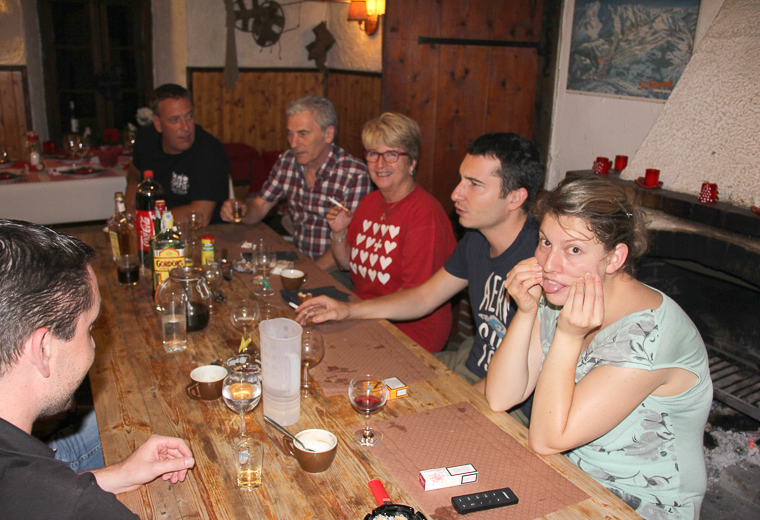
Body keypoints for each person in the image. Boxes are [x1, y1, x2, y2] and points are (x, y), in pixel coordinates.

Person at [485, 176, 712, 519]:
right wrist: (527, 311)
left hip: (642, 505)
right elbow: (501, 397)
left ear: (614, 257)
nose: (549, 264)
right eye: (545, 242)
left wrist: (568, 337)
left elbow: (547, 439)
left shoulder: (650, 335)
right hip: (569, 475)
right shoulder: (564, 293)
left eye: (574, 249)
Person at [297, 133, 544, 414]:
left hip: (512, 403)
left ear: (515, 197)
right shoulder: (476, 239)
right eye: (461, 180)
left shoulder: (543, 260)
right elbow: (425, 297)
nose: (456, 194)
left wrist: (443, 402)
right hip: (469, 368)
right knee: (354, 384)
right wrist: (347, 310)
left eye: (474, 184)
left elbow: (523, 380)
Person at [0, 219, 195, 519]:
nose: (94, 345)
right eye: (90, 328)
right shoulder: (78, 508)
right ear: (43, 350)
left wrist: (120, 474)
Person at [324, 113, 456, 353]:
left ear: (412, 162)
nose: (380, 164)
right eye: (373, 154)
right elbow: (346, 264)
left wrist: (353, 312)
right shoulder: (369, 202)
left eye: (391, 154)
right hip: (366, 316)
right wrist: (339, 232)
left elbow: (415, 297)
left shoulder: (425, 214)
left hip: (411, 332)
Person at [220, 95, 372, 271]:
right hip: (299, 261)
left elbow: (350, 244)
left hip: (338, 271)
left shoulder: (354, 175)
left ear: (328, 134)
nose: (293, 143)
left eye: (303, 134)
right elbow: (260, 207)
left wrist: (306, 274)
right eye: (290, 134)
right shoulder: (287, 162)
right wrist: (241, 211)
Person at [125, 83, 229, 224]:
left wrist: (147, 220)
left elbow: (200, 215)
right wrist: (131, 203)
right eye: (175, 120)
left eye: (189, 117)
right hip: (154, 226)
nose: (185, 128)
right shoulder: (146, 140)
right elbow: (134, 172)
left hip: (202, 232)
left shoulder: (210, 150)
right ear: (158, 123)